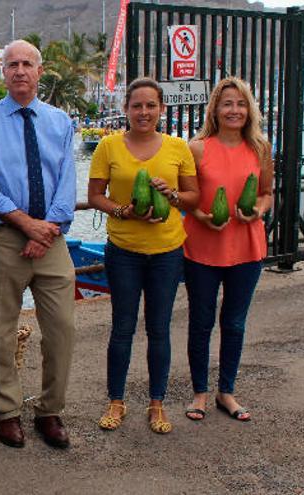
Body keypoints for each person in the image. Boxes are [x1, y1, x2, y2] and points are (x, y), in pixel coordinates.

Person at [0, 40, 77, 450]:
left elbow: (67, 183)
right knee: (0, 328)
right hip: (2, 238)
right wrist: (26, 225)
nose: (19, 71)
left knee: (62, 328)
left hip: (51, 239)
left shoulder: (59, 122)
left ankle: (50, 409)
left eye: (27, 63)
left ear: (39, 71)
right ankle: (7, 411)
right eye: (12, 64)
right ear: (3, 72)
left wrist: (45, 228)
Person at [87, 77, 200, 434]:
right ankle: (116, 401)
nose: (144, 112)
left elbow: (194, 196)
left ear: (161, 109)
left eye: (151, 105)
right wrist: (123, 211)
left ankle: (157, 404)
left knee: (159, 330)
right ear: (126, 110)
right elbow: (95, 197)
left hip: (167, 251)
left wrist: (174, 196)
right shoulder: (108, 146)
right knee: (122, 328)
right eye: (137, 105)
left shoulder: (178, 147)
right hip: (123, 251)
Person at [182, 77, 273, 422]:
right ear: (215, 110)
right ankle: (200, 393)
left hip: (247, 247)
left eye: (240, 104)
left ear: (249, 109)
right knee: (201, 322)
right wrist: (203, 216)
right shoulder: (197, 148)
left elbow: (266, 193)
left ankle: (227, 392)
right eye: (227, 104)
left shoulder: (260, 149)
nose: (234, 110)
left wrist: (259, 210)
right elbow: (185, 198)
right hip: (202, 247)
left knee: (234, 323)